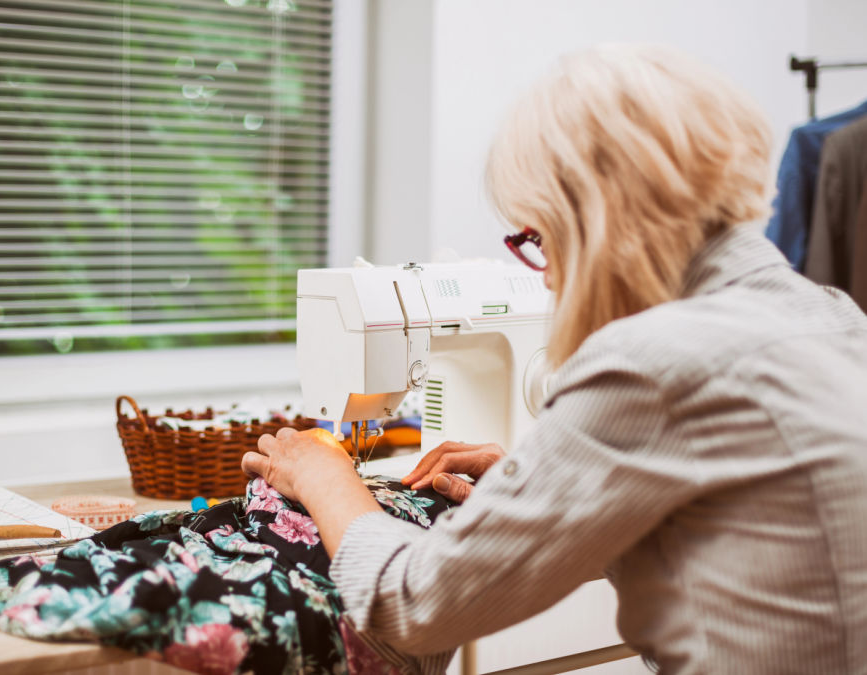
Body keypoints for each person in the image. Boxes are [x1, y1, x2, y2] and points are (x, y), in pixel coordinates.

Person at [242, 44, 867, 674]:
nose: (544, 280)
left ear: (591, 218)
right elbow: (744, 537)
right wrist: (551, 482)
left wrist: (326, 478)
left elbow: (415, 603)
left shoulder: (652, 362)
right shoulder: (836, 317)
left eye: (537, 239)